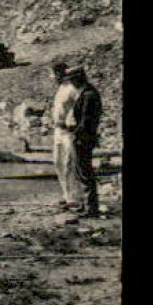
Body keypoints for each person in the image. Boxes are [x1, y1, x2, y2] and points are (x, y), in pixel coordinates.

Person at [67, 66, 105, 217]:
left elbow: (86, 121)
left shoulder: (89, 95)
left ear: (78, 79)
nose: (71, 83)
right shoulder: (88, 92)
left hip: (83, 139)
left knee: (84, 172)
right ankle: (86, 205)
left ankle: (90, 208)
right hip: (85, 137)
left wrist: (75, 133)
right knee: (81, 171)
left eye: (72, 80)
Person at [49, 62, 79, 209]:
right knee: (57, 162)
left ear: (61, 74)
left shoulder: (72, 89)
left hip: (68, 130)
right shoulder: (60, 88)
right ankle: (65, 194)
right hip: (58, 129)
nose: (52, 78)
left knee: (69, 163)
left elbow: (76, 108)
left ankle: (73, 196)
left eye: (54, 75)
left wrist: (72, 124)